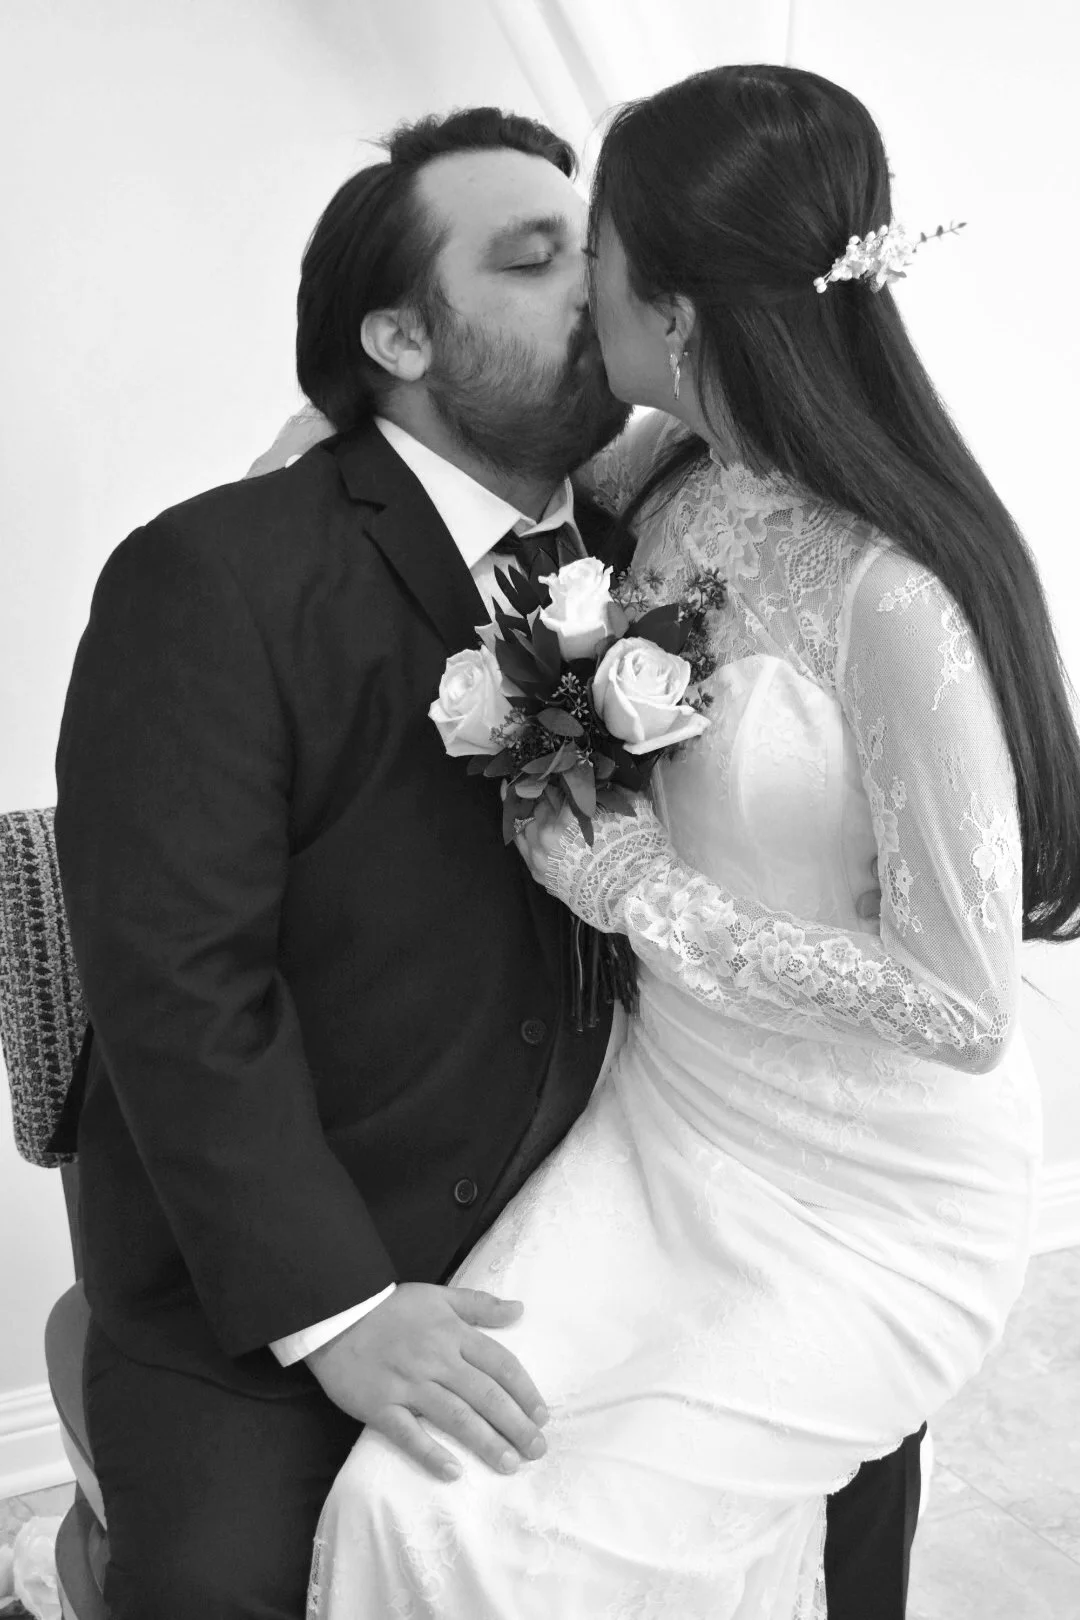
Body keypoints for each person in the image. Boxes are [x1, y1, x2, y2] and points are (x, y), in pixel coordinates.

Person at [300, 66, 1080, 1619]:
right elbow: (419, 471)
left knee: (553, 1541)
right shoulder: (664, 473)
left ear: (674, 312)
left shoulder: (896, 599)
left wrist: (630, 884)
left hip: (869, 1204)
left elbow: (965, 1008)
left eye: (590, 257)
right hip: (673, 1128)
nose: (575, 290)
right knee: (414, 1497)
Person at [52, 108, 631, 1620]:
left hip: (599, 1214)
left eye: (598, 254)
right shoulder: (215, 575)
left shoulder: (655, 549)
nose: (596, 288)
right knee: (227, 1591)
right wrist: (341, 1311)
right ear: (400, 335)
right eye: (534, 260)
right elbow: (179, 985)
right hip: (280, 1268)